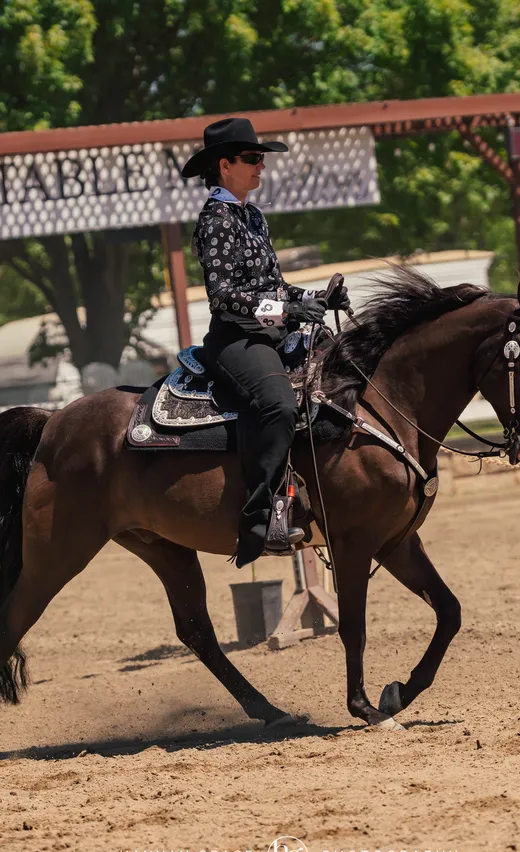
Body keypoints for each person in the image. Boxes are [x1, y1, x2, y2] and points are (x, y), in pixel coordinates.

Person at [181, 117, 350, 567]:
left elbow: (273, 284)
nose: (261, 167)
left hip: (269, 333)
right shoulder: (215, 221)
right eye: (253, 159)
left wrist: (316, 297)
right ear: (225, 165)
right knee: (277, 403)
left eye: (261, 159)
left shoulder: (252, 216)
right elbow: (226, 299)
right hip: (236, 340)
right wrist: (291, 312)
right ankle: (260, 515)